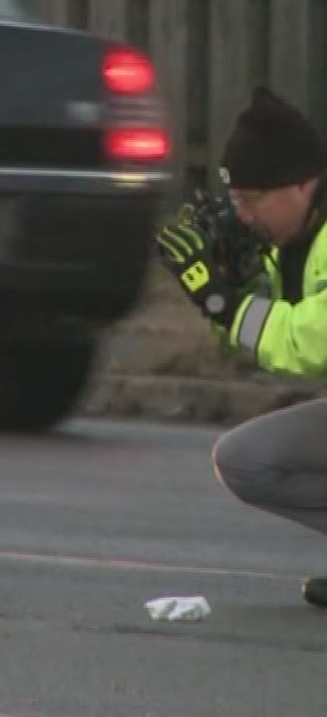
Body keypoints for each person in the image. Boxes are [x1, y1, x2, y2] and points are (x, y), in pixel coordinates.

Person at [155, 86, 327, 608]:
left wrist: (221, 303)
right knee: (244, 459)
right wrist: (223, 292)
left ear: (303, 184)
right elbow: (258, 338)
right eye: (234, 202)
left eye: (251, 200)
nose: (244, 216)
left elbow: (306, 340)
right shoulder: (288, 243)